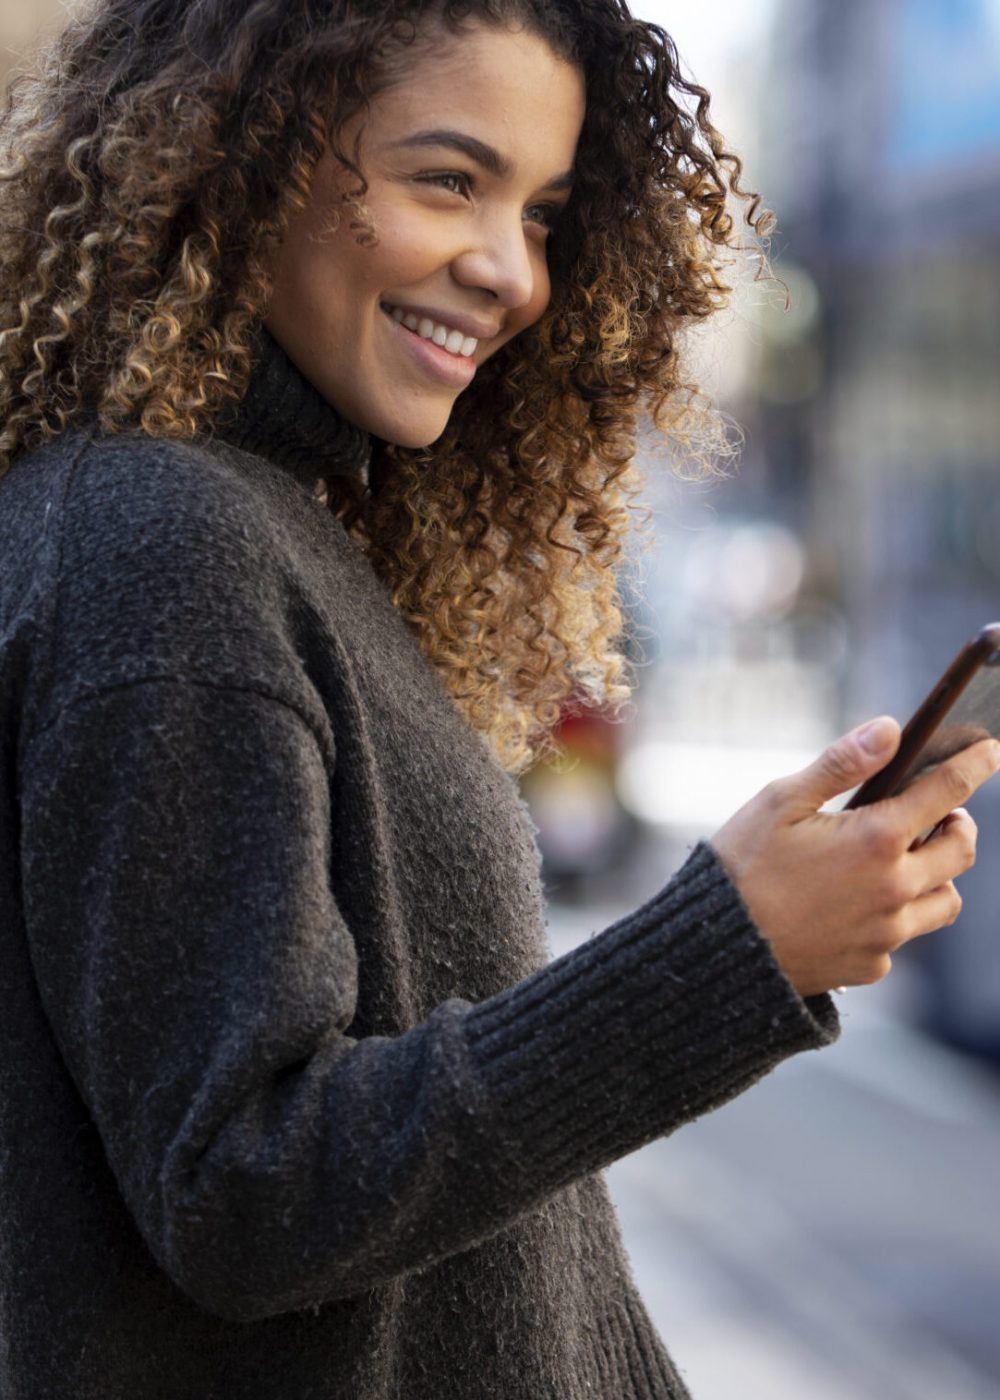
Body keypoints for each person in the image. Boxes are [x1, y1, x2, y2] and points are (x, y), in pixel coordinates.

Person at [0, 2, 995, 1397]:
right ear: (243, 153)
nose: (509, 271)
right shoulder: (165, 546)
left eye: (541, 212)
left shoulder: (261, 528)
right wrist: (732, 954)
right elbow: (242, 1190)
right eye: (448, 181)